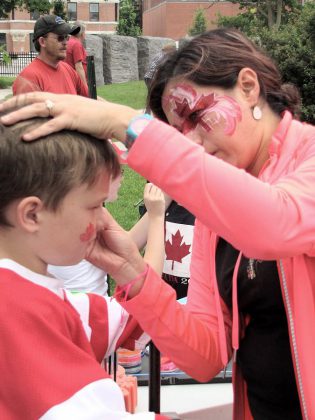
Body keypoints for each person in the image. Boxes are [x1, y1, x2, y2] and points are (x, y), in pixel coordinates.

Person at [2, 27, 315, 420]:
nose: (191, 142)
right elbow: (205, 357)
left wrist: (125, 123)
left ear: (248, 86)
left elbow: (276, 224)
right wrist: (133, 273)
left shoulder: (309, 160)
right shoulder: (215, 215)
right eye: (178, 131)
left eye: (197, 116)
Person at [0, 111, 169, 419]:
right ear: (32, 215)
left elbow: (126, 322)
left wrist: (130, 269)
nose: (103, 221)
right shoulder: (16, 316)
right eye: (94, 206)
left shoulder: (36, 294)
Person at [12, 15, 89, 97]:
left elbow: (89, 98)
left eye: (66, 37)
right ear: (42, 42)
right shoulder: (28, 79)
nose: (65, 42)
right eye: (60, 38)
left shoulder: (68, 70)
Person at [65, 21, 88, 88]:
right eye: (85, 32)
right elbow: (79, 67)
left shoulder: (69, 42)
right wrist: (84, 86)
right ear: (82, 33)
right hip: (75, 82)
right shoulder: (76, 44)